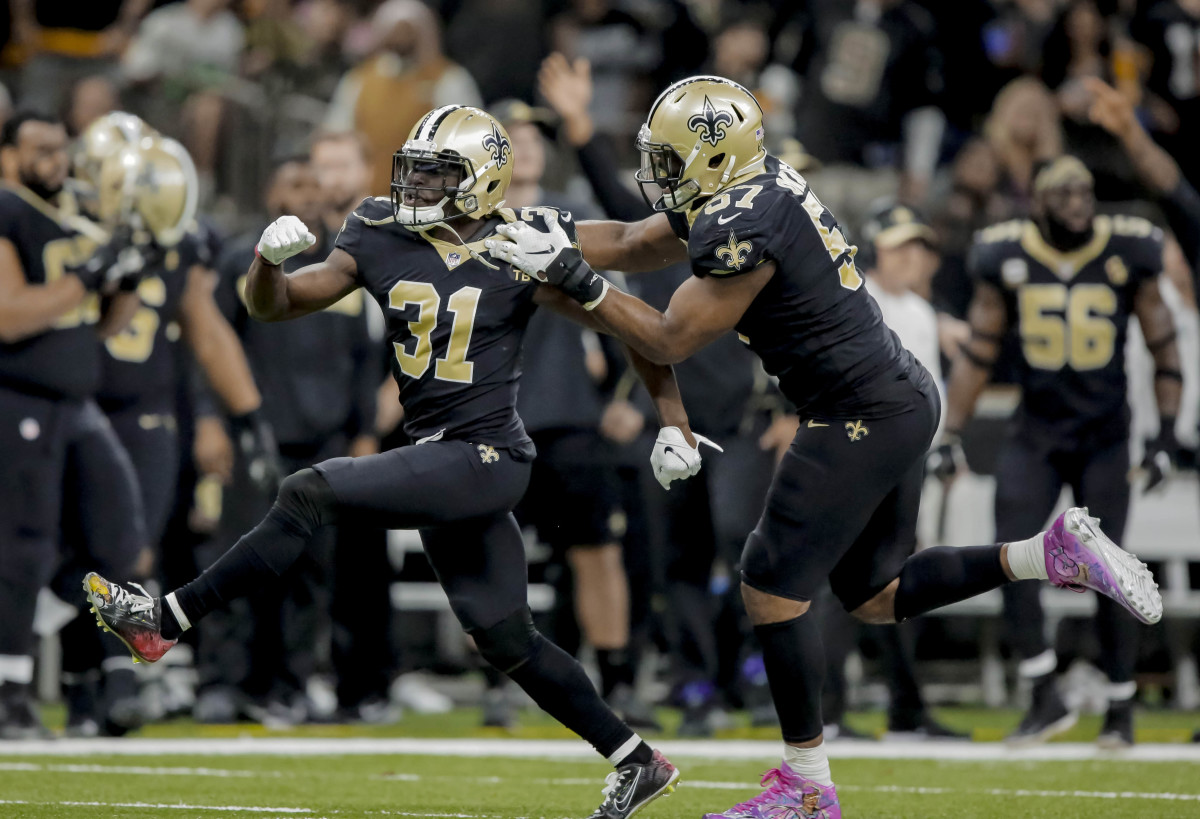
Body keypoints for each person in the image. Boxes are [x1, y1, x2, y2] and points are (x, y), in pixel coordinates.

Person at [485, 76, 1164, 817]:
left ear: (715, 158)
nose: (660, 174)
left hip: (856, 411)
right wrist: (531, 226)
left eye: (672, 159)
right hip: (892, 400)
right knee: (876, 596)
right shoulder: (750, 185)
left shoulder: (745, 219)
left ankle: (806, 787)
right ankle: (1047, 552)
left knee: (767, 584)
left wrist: (574, 277)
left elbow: (670, 336)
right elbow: (630, 240)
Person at [86, 105, 687, 819]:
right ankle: (636, 759)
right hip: (443, 458)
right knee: (507, 638)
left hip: (487, 456)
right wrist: (266, 265)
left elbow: (632, 294)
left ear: (481, 181)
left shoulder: (526, 236)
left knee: (308, 490)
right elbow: (277, 305)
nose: (416, 185)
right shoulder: (377, 227)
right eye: (414, 169)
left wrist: (673, 414)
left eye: (438, 174)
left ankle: (164, 620)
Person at [938, 154, 1181, 748]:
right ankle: (1044, 691)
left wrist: (1167, 434)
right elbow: (980, 350)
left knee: (1111, 569)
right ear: (1039, 203)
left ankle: (1120, 708)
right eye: (1064, 194)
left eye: (1084, 191)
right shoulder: (1005, 252)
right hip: (1037, 433)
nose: (1077, 203)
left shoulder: (1129, 247)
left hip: (1104, 436)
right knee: (1008, 553)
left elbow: (1163, 344)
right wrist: (949, 433)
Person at [0, 111, 147, 737]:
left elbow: (104, 326)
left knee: (117, 535)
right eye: (39, 149)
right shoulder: (7, 209)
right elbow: (9, 317)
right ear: (8, 155)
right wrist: (88, 273)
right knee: (23, 545)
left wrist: (126, 274)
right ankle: (9, 692)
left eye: (60, 148)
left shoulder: (76, 215)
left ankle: (117, 678)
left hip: (75, 400)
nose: (54, 160)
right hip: (18, 399)